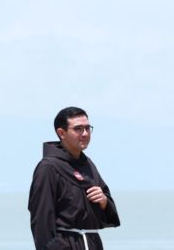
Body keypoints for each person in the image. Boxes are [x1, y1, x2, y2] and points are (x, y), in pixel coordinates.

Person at [28, 106, 120, 250]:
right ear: (61, 133)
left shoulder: (88, 164)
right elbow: (41, 220)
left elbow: (108, 212)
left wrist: (103, 201)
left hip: (92, 243)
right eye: (78, 129)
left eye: (87, 128)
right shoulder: (48, 167)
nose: (85, 133)